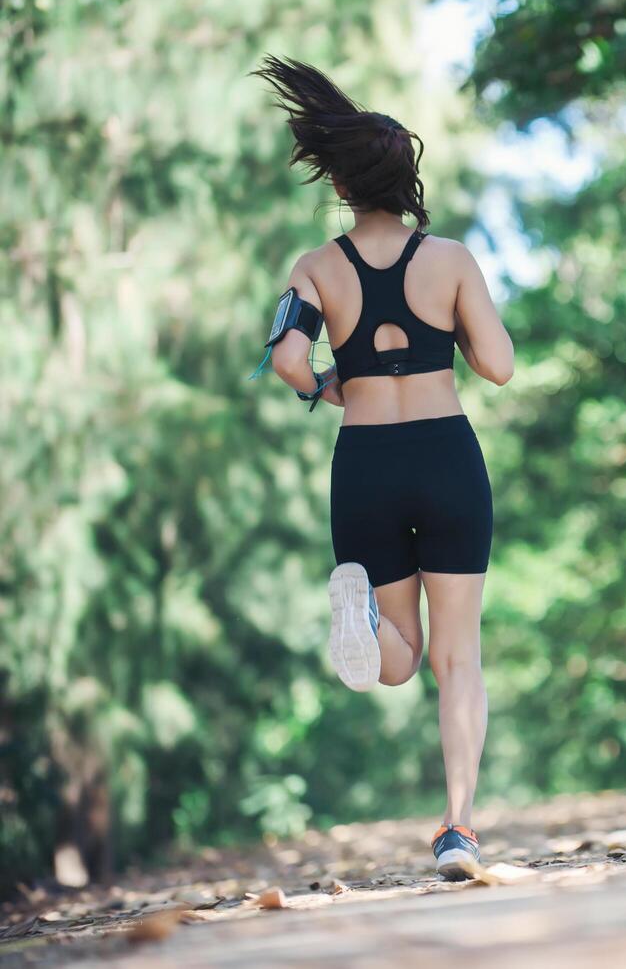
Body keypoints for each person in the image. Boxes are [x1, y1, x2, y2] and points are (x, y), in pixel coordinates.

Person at [253, 55, 514, 880]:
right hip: (445, 455)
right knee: (457, 657)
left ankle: (363, 625)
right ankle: (458, 828)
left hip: (364, 463)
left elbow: (287, 359)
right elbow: (500, 367)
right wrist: (456, 333)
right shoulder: (453, 259)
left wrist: (334, 384)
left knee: (398, 655)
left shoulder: (315, 268)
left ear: (342, 181)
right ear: (407, 180)